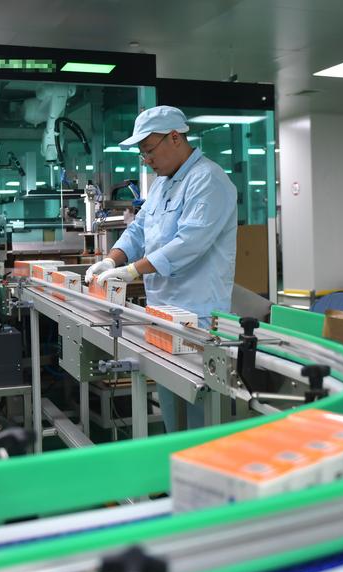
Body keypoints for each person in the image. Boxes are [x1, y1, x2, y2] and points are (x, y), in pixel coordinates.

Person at [85, 105, 237, 432]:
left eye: (149, 150)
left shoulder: (208, 180)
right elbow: (139, 229)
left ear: (175, 137)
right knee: (172, 408)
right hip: (163, 314)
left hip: (197, 317)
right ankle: (177, 476)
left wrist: (131, 272)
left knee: (199, 413)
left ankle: (202, 480)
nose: (147, 160)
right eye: (143, 154)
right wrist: (113, 258)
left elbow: (190, 243)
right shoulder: (163, 184)